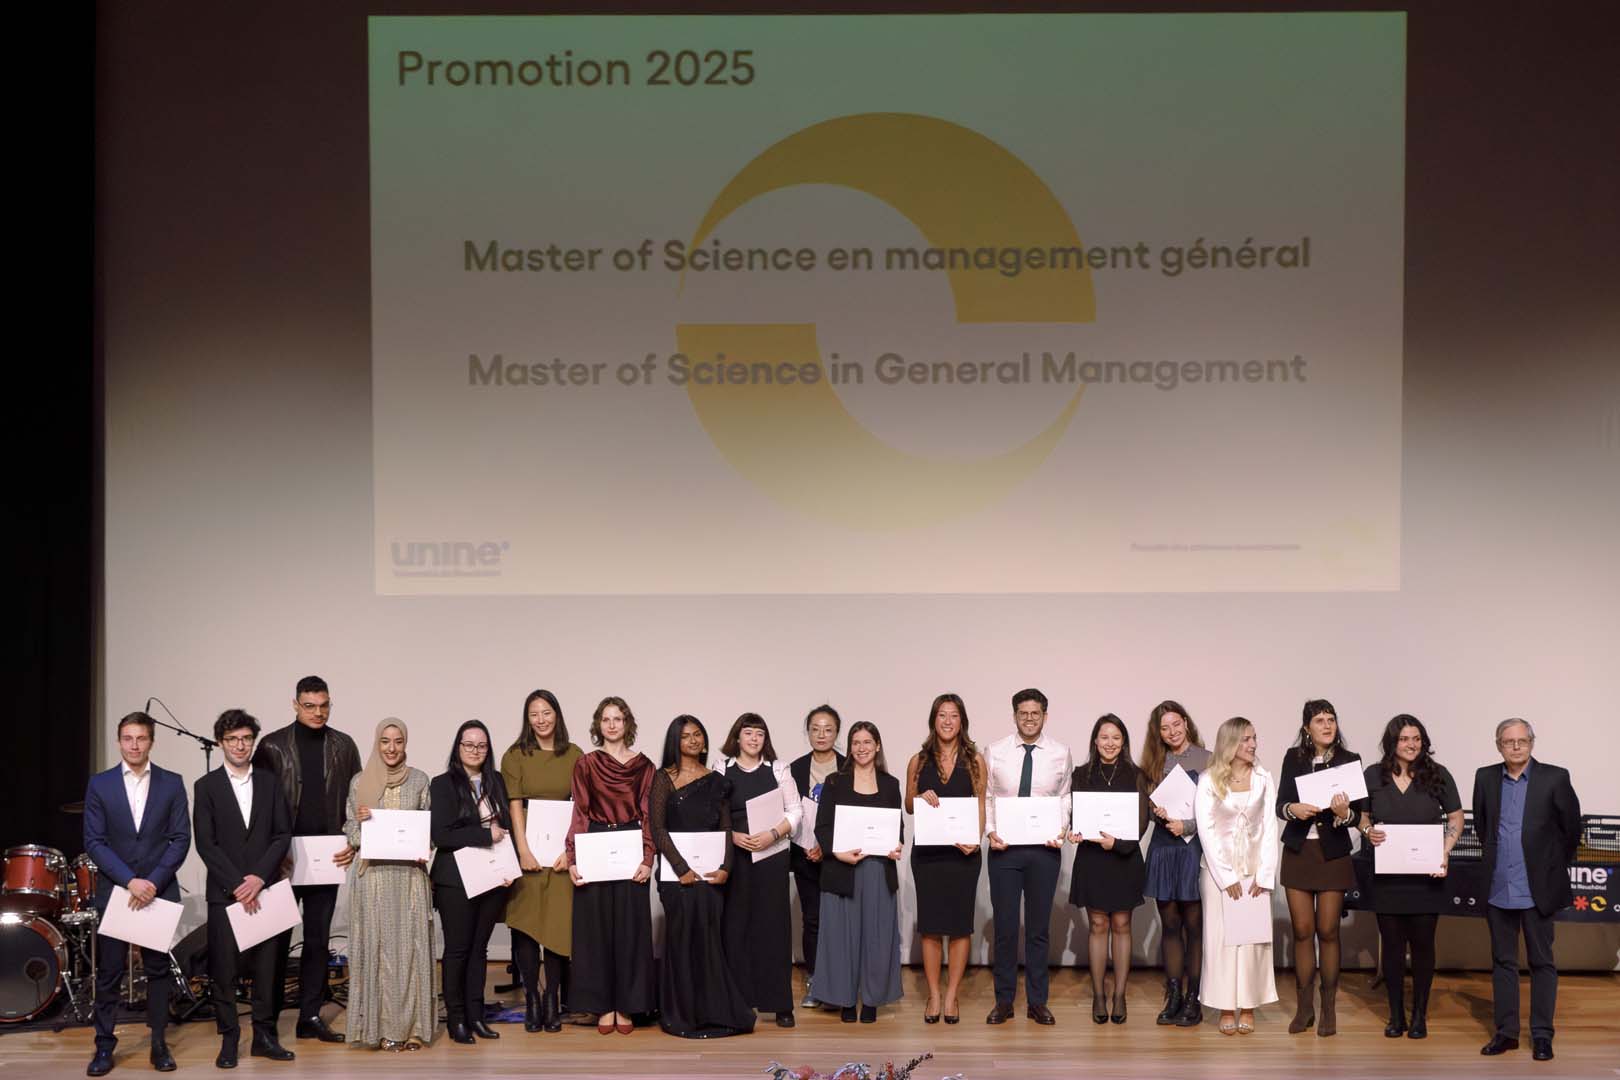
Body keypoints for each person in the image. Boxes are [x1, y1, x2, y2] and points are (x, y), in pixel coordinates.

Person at [83, 711, 192, 1077]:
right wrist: (130, 881)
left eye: (141, 738)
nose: (134, 745)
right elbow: (94, 841)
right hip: (117, 891)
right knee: (110, 972)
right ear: (119, 742)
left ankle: (159, 1043)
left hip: (158, 891)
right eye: (128, 738)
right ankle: (104, 1045)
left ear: (151, 742)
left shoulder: (171, 783)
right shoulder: (100, 784)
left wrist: (153, 882)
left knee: (158, 970)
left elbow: (181, 839)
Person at [254, 675, 362, 1041]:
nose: (318, 712)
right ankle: (266, 1021)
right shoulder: (272, 746)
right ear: (295, 705)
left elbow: (355, 799)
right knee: (276, 941)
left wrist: (353, 841)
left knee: (318, 939)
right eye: (310, 706)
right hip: (283, 858)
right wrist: (271, 854)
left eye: (324, 705)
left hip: (325, 857)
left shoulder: (344, 745)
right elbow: (259, 806)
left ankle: (310, 1017)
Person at [1472, 718, 1581, 1062]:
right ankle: (1506, 1033)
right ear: (1498, 746)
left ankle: (1542, 1035)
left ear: (1532, 742)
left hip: (1538, 890)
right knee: (1503, 962)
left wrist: (1549, 866)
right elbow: (1482, 827)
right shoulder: (1485, 777)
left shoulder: (1555, 777)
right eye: (1509, 741)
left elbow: (1571, 829)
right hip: (1498, 887)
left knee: (1542, 962)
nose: (1516, 746)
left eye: (1522, 740)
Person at [192, 709, 294, 1067]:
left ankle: (264, 1036)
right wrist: (238, 884)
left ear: (253, 741)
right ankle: (230, 1038)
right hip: (226, 892)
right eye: (233, 739)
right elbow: (206, 844)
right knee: (224, 970)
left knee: (268, 969)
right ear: (221, 742)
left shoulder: (270, 782)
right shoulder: (206, 786)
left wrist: (259, 878)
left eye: (246, 738)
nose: (240, 745)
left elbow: (282, 834)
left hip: (266, 889)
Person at [648, 715, 755, 1038]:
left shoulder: (716, 780)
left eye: (697, 735)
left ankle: (713, 1010)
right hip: (677, 878)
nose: (693, 740)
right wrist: (682, 869)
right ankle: (682, 1013)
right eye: (685, 736)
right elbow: (658, 828)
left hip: (711, 877)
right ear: (675, 742)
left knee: (709, 942)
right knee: (681, 941)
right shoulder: (663, 778)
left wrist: (725, 868)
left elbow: (725, 828)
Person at [1358, 714, 1462, 1040]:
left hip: (1425, 878)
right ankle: (1395, 1014)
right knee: (1391, 948)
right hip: (1387, 878)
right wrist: (1368, 831)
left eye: (1416, 739)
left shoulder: (1438, 774)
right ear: (1392, 742)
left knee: (1423, 946)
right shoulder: (1373, 775)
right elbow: (1361, 817)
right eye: (1404, 739)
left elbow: (1456, 818)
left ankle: (1419, 1015)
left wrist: (1444, 850)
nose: (1411, 744)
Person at [1274, 698, 1365, 1037]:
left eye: (1331, 719)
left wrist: (1345, 814)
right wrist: (1293, 809)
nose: (1327, 725)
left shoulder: (1349, 760)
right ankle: (1304, 1008)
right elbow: (1280, 805)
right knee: (1302, 931)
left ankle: (1328, 1008)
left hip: (1333, 855)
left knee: (1328, 930)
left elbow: (1359, 815)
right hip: (1299, 852)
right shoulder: (1293, 758)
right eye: (1320, 720)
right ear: (1307, 728)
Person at [566, 696, 656, 1034]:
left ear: (627, 723)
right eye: (606, 719)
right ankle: (603, 1005)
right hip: (595, 842)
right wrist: (573, 857)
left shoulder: (644, 766)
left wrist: (648, 857)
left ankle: (627, 1005)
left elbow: (649, 814)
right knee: (596, 928)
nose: (612, 724)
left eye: (618, 718)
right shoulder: (586, 764)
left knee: (631, 929)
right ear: (598, 725)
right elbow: (580, 811)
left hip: (631, 842)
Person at [344, 718, 436, 1050]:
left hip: (410, 879)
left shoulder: (420, 780)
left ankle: (414, 1029)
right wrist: (362, 823)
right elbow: (351, 832)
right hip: (374, 880)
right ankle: (378, 1030)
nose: (392, 748)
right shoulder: (360, 782)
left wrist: (424, 847)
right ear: (377, 743)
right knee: (377, 950)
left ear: (405, 743)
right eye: (385, 741)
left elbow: (429, 832)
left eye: (398, 741)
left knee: (411, 950)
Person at [983, 688, 1073, 1026]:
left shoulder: (1060, 753)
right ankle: (1004, 1001)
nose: (1029, 719)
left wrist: (1061, 829)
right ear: (1015, 716)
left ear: (1045, 716)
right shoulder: (995, 751)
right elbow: (987, 796)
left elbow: (1064, 797)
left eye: (1035, 713)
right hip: (1004, 850)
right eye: (1023, 713)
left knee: (1038, 929)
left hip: (1044, 851)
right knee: (1006, 928)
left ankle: (1037, 1002)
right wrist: (990, 831)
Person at [501, 689, 584, 1032]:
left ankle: (553, 999)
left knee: (556, 928)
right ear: (527, 718)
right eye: (534, 714)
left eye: (546, 712)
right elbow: (514, 804)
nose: (541, 720)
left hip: (561, 855)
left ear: (557, 715)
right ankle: (532, 1000)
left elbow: (581, 807)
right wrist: (523, 850)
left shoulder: (574, 754)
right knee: (526, 926)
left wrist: (570, 851)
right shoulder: (515, 755)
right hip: (529, 852)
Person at [812, 721, 904, 1023]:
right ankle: (846, 1000)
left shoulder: (890, 784)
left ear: (877, 746)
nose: (861, 748)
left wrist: (896, 846)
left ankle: (873, 999)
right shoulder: (834, 782)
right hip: (842, 869)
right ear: (850, 748)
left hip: (878, 870)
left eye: (867, 742)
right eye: (856, 742)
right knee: (841, 938)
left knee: (877, 937)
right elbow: (822, 827)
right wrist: (837, 853)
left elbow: (898, 828)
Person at [430, 718, 514, 1044]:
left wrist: (508, 868)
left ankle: (476, 1016)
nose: (475, 750)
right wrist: (484, 834)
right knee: (457, 950)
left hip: (492, 877)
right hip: (455, 881)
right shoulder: (442, 784)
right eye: (469, 744)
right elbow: (442, 835)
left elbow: (506, 828)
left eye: (481, 745)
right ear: (458, 747)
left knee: (480, 949)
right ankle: (457, 1020)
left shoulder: (497, 781)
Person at [904, 693, 985, 1025]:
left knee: (961, 926)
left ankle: (952, 995)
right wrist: (920, 797)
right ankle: (934, 995)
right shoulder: (918, 760)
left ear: (962, 721)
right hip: (928, 855)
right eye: (942, 715)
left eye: (953, 715)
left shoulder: (975, 760)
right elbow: (909, 805)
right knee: (931, 927)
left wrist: (975, 840)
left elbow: (981, 803)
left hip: (963, 856)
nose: (948, 721)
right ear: (933, 720)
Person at [1195, 717, 1279, 1035]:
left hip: (1254, 873)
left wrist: (1264, 874)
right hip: (1219, 875)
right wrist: (1226, 876)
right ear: (1229, 742)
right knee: (1221, 941)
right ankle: (1225, 1007)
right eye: (1245, 739)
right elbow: (1207, 830)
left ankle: (1249, 1005)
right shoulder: (1208, 780)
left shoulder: (1263, 778)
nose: (1253, 744)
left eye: (1254, 738)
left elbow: (1269, 827)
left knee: (1252, 941)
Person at [721, 712, 802, 1027]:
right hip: (735, 858)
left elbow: (795, 811)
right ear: (737, 737)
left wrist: (773, 834)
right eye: (748, 733)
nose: (754, 739)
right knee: (735, 928)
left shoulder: (779, 769)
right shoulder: (721, 769)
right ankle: (739, 1003)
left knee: (773, 928)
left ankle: (780, 1004)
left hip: (771, 856)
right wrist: (732, 836)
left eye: (759, 734)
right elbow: (712, 812)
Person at [1068, 713, 1149, 1024]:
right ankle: (1099, 995)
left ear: (1123, 741)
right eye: (1104, 737)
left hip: (1124, 858)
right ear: (1095, 741)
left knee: (1122, 924)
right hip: (1092, 860)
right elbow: (1075, 816)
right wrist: (1075, 832)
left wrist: (1116, 843)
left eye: (1116, 737)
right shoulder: (1081, 774)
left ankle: (1120, 995)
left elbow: (1141, 822)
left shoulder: (1136, 775)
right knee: (1098, 924)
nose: (1110, 743)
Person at [1140, 699, 1211, 1027]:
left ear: (1186, 722)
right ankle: (1174, 996)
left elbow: (1216, 810)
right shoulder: (1153, 762)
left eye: (1176, 724)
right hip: (1163, 846)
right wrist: (1157, 812)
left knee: (1193, 925)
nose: (1172, 732)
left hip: (1192, 847)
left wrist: (1189, 825)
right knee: (1169, 924)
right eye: (1164, 728)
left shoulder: (1208, 759)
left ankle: (1194, 997)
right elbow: (1147, 807)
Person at [788, 705, 845, 1008]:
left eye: (828, 729)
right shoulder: (794, 769)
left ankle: (841, 982)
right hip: (804, 856)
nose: (821, 735)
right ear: (807, 732)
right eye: (815, 729)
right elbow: (788, 813)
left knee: (840, 920)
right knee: (812, 919)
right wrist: (808, 845)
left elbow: (852, 814)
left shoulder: (848, 766)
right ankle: (815, 980)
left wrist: (827, 846)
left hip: (840, 857)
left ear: (837, 733)